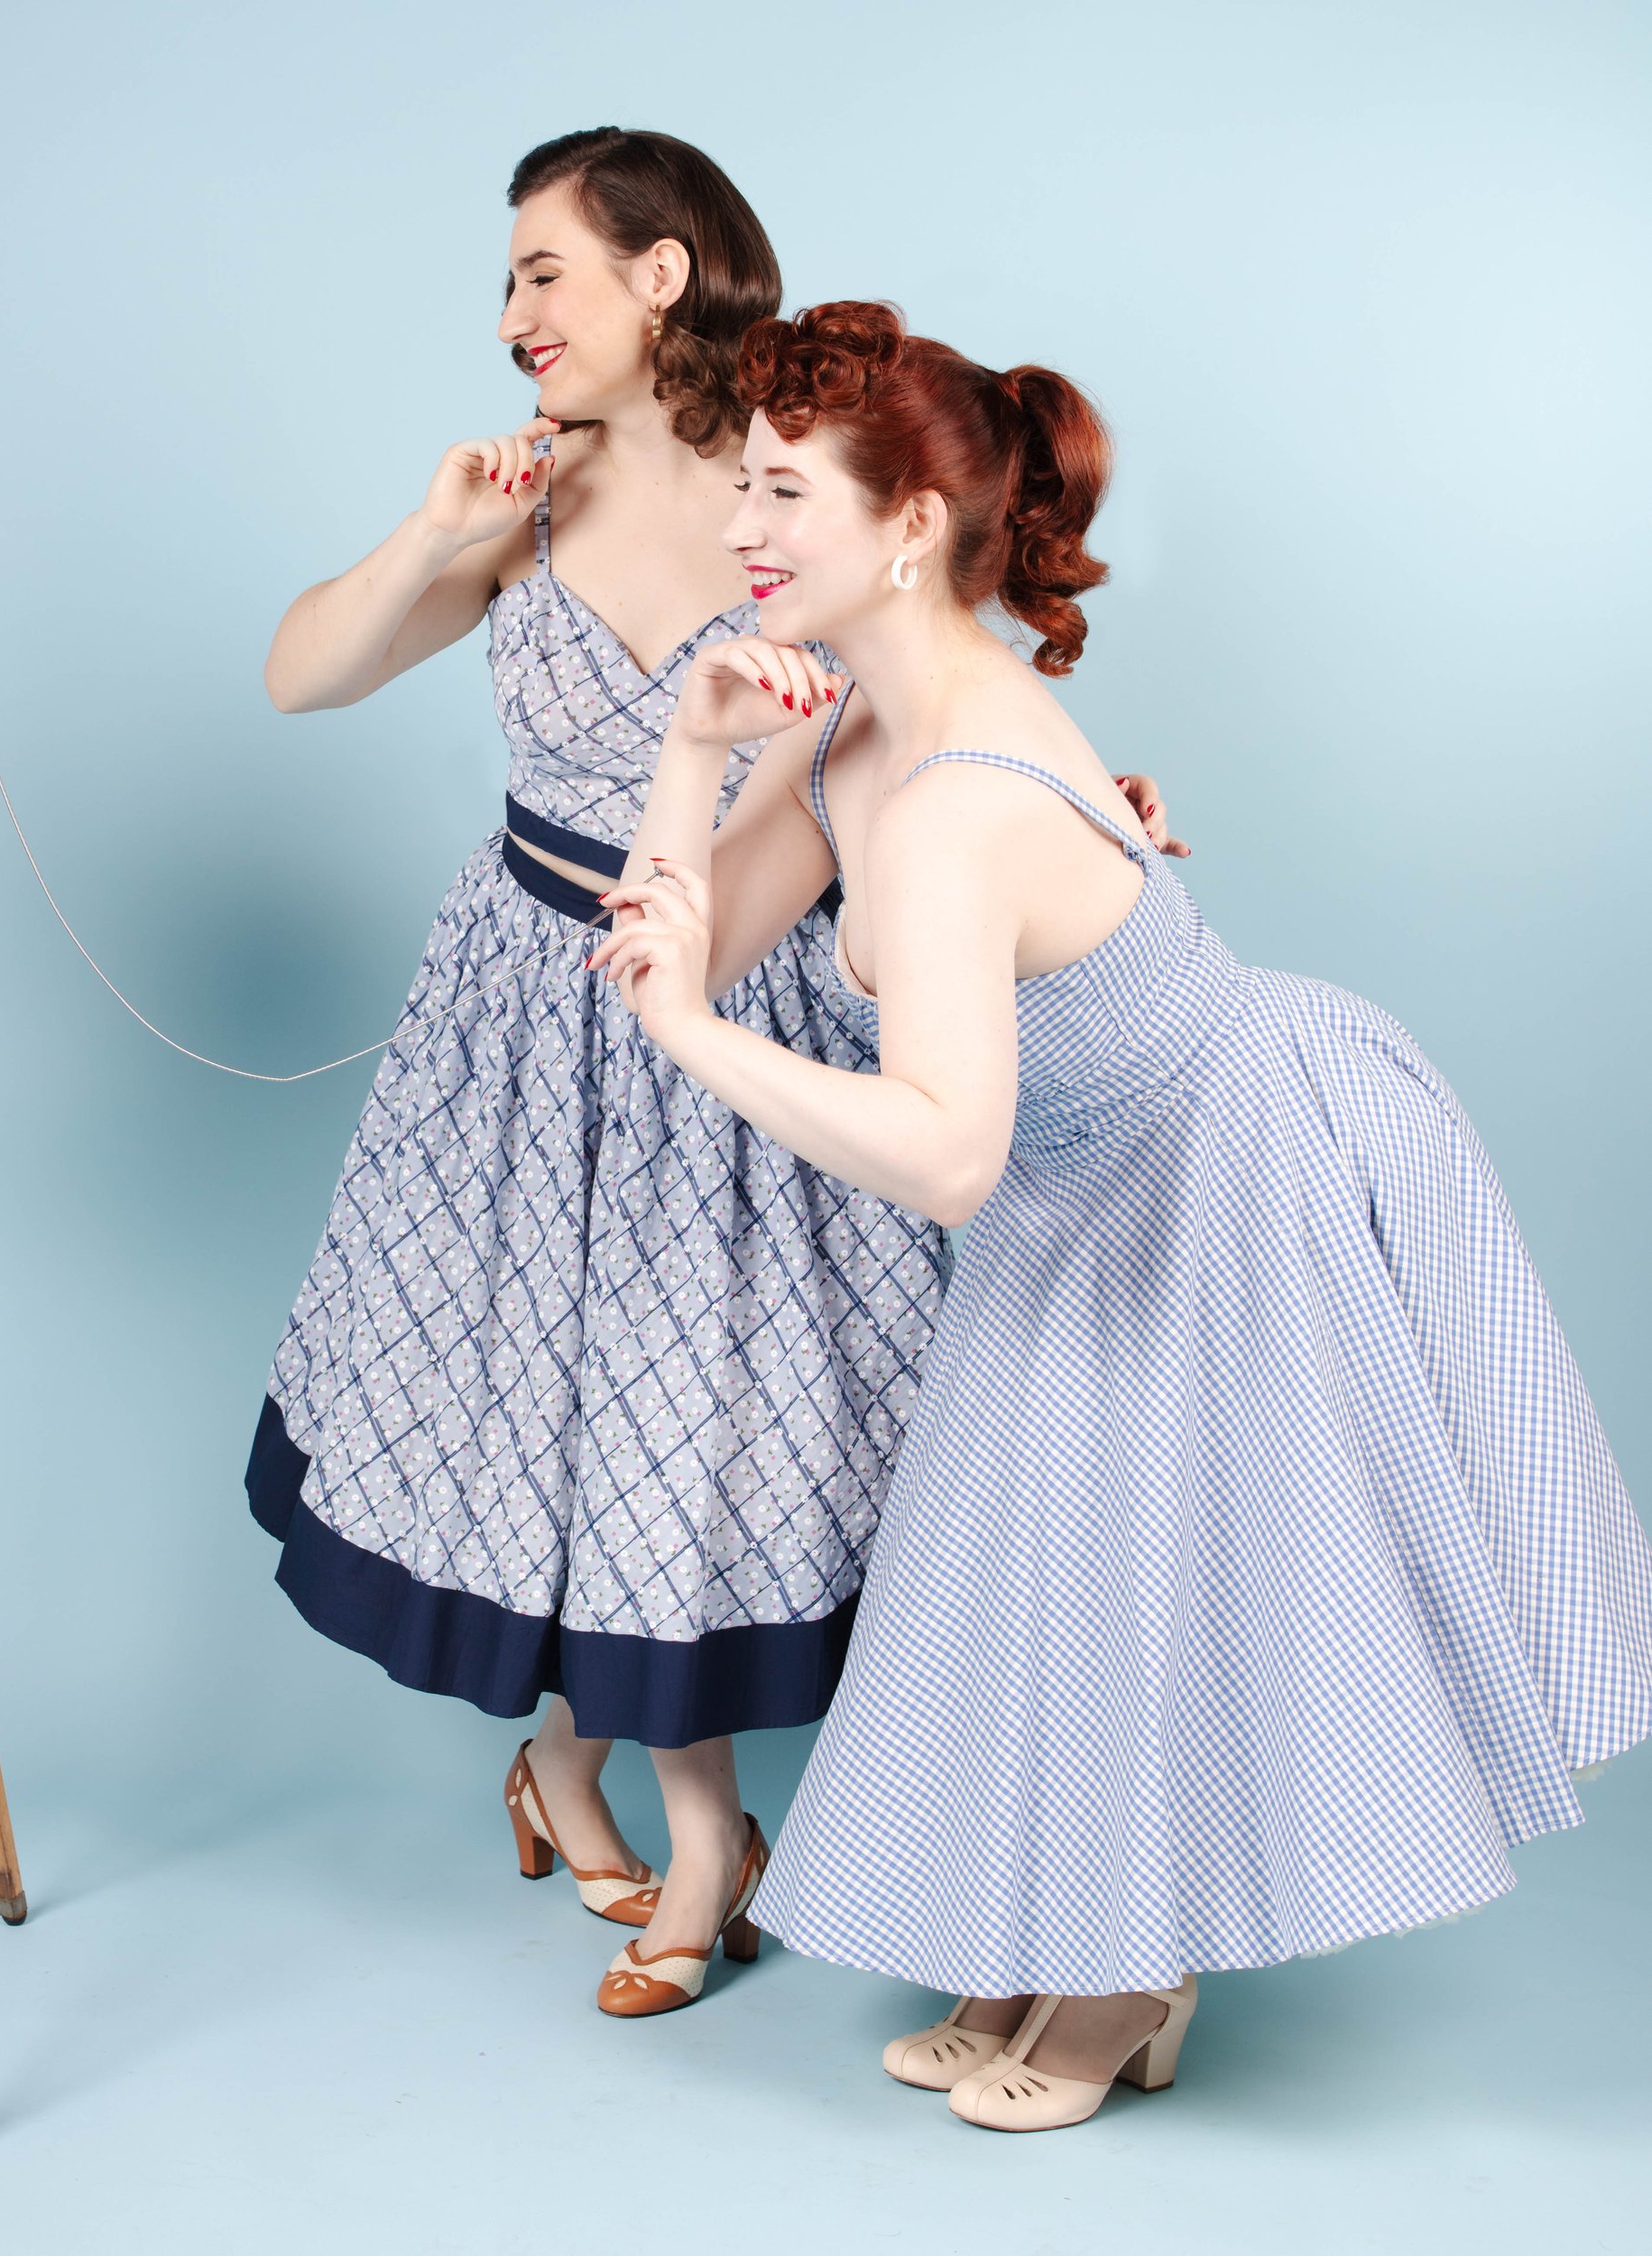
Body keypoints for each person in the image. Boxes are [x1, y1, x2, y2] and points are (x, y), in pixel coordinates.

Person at [591, 299, 1652, 2114]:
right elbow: (697, 917)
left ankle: (1121, 1975)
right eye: (742, 489)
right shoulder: (855, 724)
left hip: (1217, 1166)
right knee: (1036, 1579)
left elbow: (933, 1150)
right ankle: (1056, 1942)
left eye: (778, 492)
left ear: (907, 525)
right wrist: (690, 749)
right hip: (1083, 1189)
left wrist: (691, 1033)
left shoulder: (942, 808)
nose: (738, 529)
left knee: (1158, 1586)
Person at [248, 134, 1178, 2013]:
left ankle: (682, 1820)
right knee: (552, 1403)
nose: (509, 315)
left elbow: (939, 663)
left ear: (659, 276)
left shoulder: (796, 464)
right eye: (507, 280)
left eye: (539, 272)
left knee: (703, 1408)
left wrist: (1078, 825)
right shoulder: (529, 486)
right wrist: (436, 532)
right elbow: (299, 674)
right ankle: (607, 1783)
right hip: (525, 1004)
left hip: (747, 993)